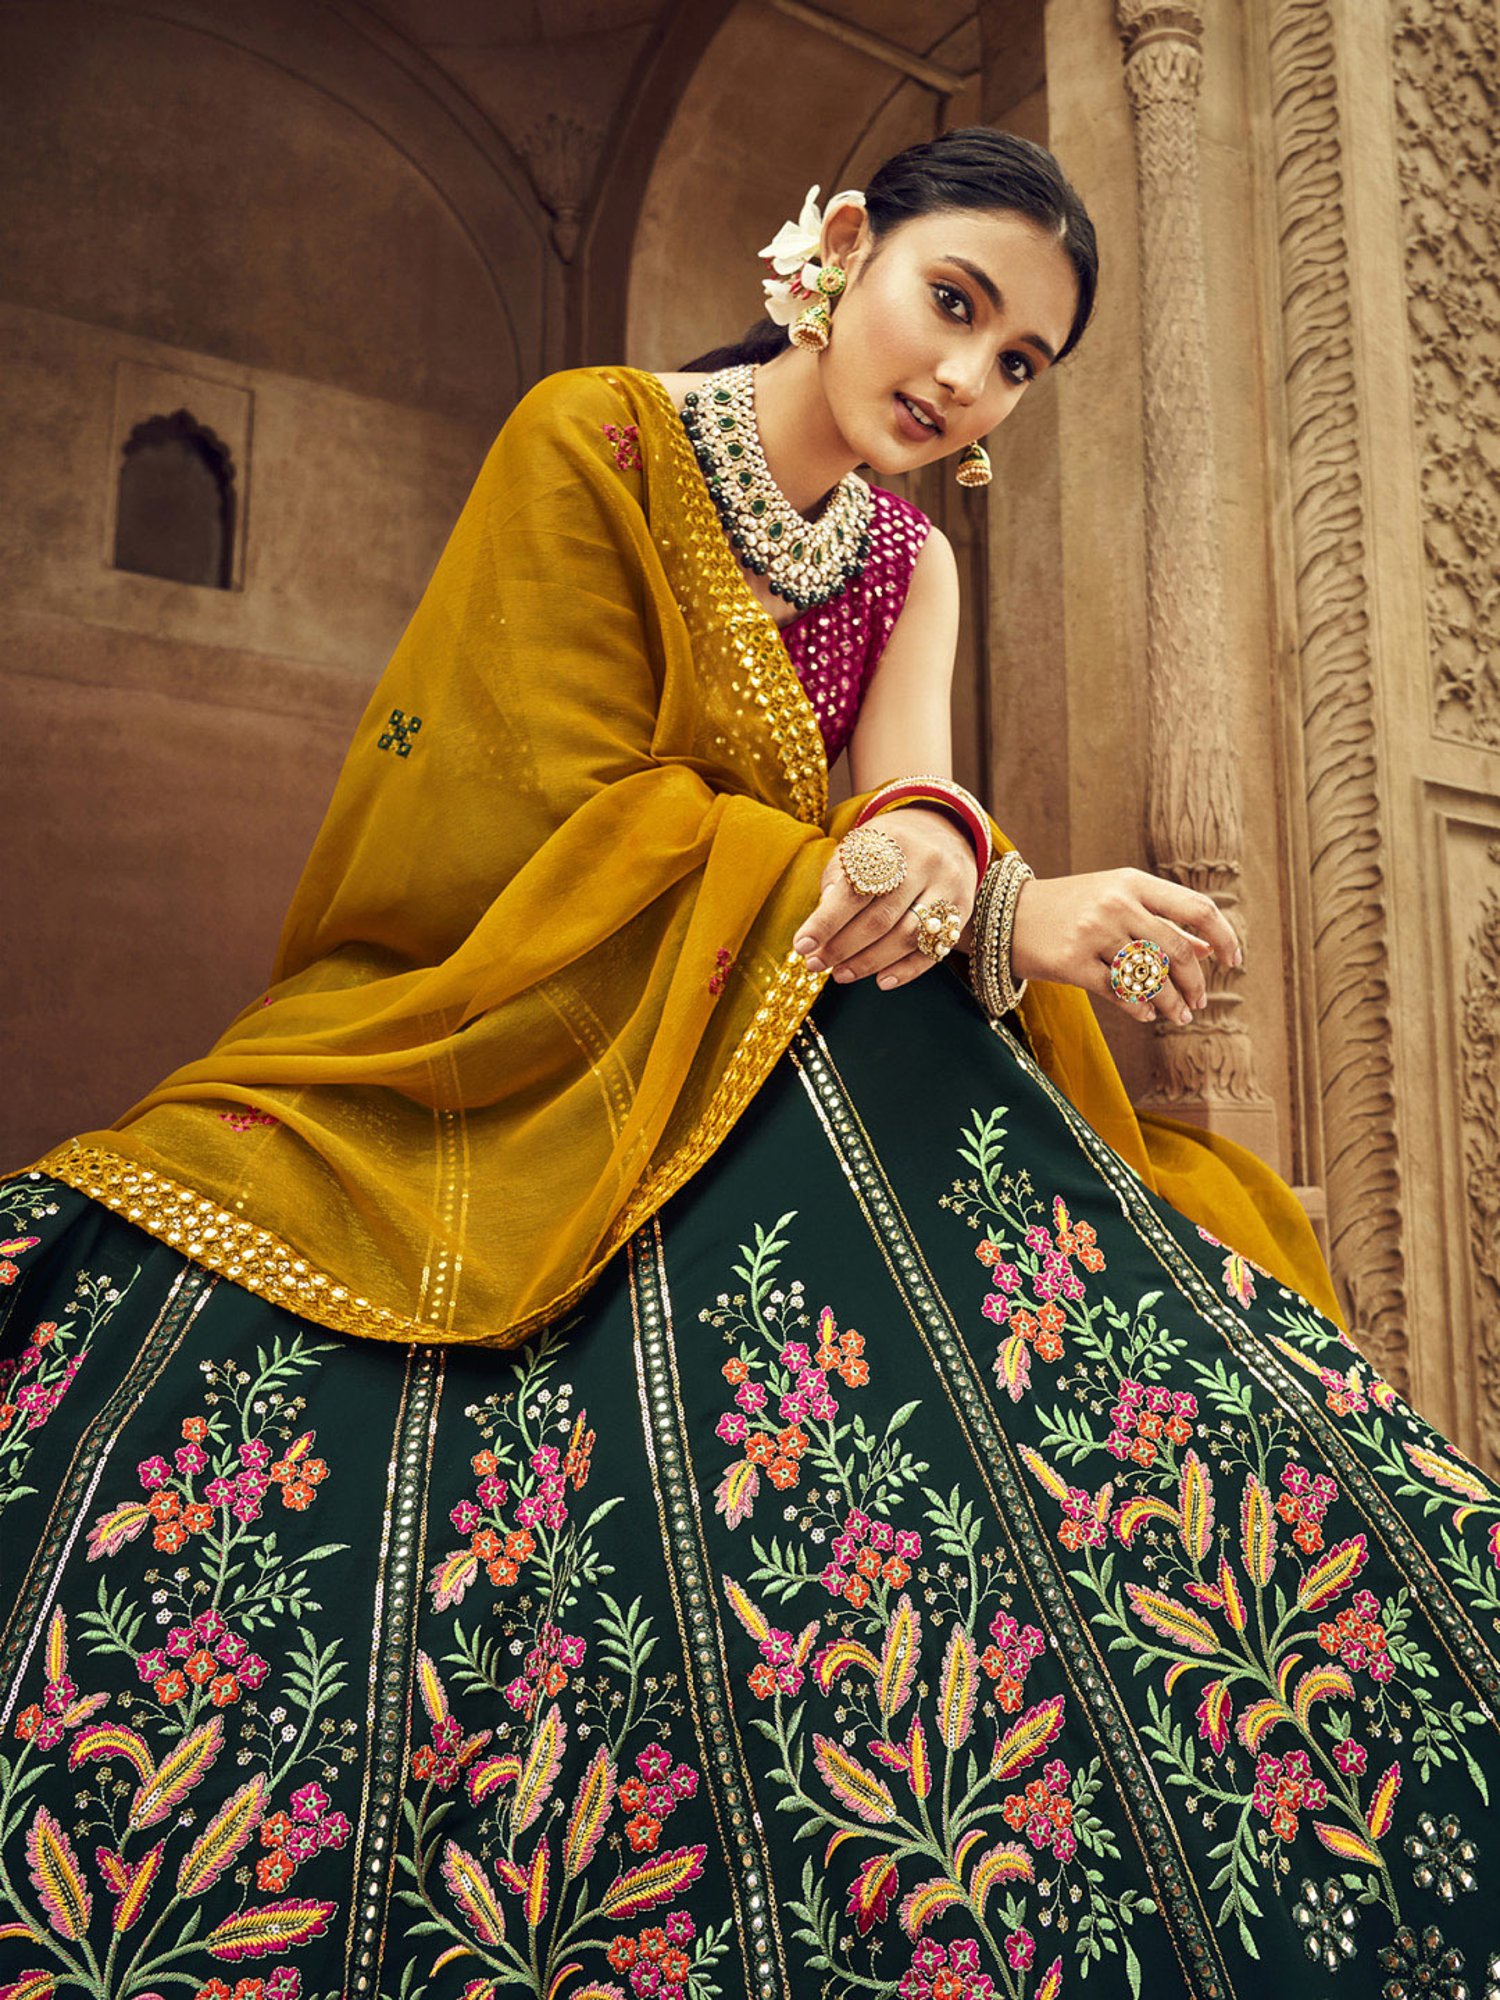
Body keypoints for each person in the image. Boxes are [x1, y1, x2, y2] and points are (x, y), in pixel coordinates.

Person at [1, 126, 1495, 2000]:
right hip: (537, 1016)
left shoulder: (910, 562)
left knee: (1159, 1244)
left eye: (1016, 361)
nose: (963, 380)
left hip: (790, 1009)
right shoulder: (597, 439)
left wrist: (984, 879)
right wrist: (933, 886)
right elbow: (543, 803)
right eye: (953, 305)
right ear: (845, 249)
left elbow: (909, 812)